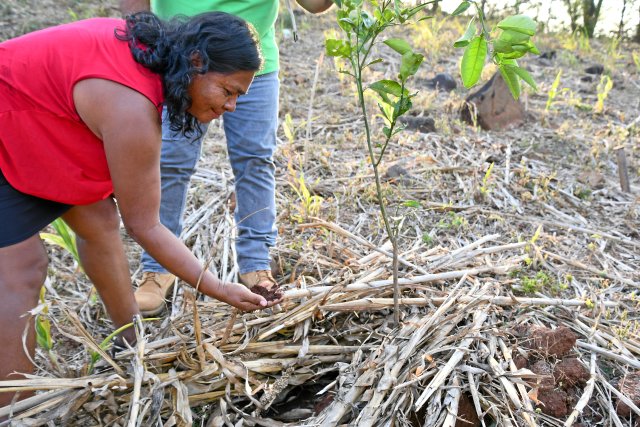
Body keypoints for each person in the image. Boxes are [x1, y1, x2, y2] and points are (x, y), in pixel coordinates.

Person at [0, 11, 282, 409]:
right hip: (9, 112)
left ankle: (133, 346)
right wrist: (218, 288)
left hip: (31, 113)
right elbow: (146, 225)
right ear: (197, 62)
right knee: (21, 268)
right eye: (228, 91)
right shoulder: (131, 109)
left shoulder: (149, 59)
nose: (232, 107)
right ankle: (15, 411)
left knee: (97, 218)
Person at [119, 0, 334, 316]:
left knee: (255, 160)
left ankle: (256, 266)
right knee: (170, 160)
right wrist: (142, 37)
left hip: (253, 65)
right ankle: (157, 268)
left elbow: (315, 5)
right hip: (185, 55)